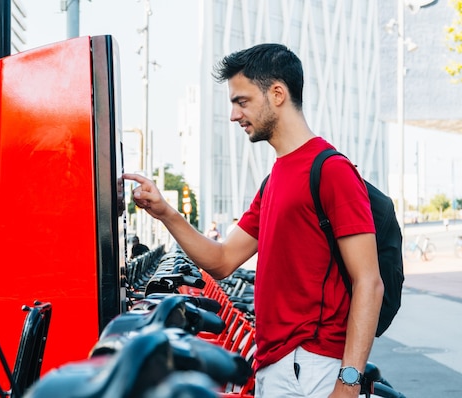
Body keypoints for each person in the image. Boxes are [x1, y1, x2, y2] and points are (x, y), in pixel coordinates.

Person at [124, 43, 383, 398]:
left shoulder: (331, 170)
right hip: (274, 363)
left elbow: (369, 282)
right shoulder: (274, 180)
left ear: (277, 94)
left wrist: (349, 383)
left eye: (241, 101)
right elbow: (222, 260)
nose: (233, 115)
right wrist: (166, 212)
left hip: (311, 367)